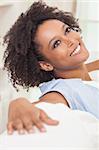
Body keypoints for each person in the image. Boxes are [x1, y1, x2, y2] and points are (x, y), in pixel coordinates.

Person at [3, 1, 99, 135]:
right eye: (57, 43)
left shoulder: (81, 72)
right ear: (46, 65)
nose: (70, 40)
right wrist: (17, 104)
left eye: (67, 30)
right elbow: (45, 103)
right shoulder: (63, 91)